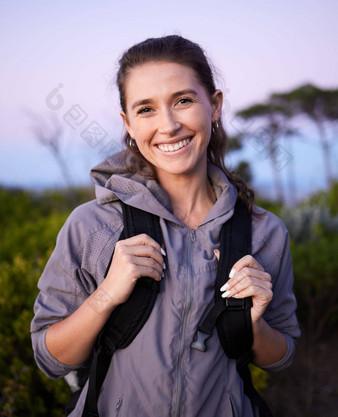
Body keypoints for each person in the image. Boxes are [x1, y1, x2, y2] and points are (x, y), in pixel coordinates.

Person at [31, 35, 300, 417]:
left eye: (184, 101)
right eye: (146, 109)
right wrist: (106, 295)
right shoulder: (91, 224)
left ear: (215, 105)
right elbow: (51, 359)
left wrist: (253, 322)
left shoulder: (265, 232)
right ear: (127, 123)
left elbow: (281, 357)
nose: (169, 126)